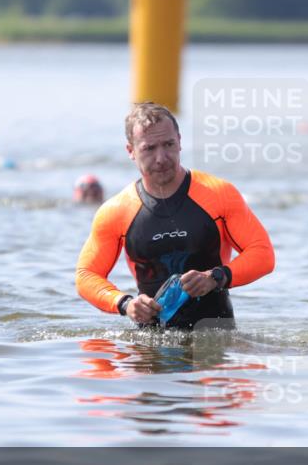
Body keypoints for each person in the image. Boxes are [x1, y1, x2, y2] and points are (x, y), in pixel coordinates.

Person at [76, 102, 275, 329]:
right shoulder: (116, 211)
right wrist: (125, 303)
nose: (161, 158)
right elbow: (86, 276)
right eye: (149, 148)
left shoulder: (219, 194)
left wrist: (215, 277)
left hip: (213, 343)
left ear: (179, 142)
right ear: (131, 151)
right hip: (149, 348)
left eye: (168, 144)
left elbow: (263, 254)